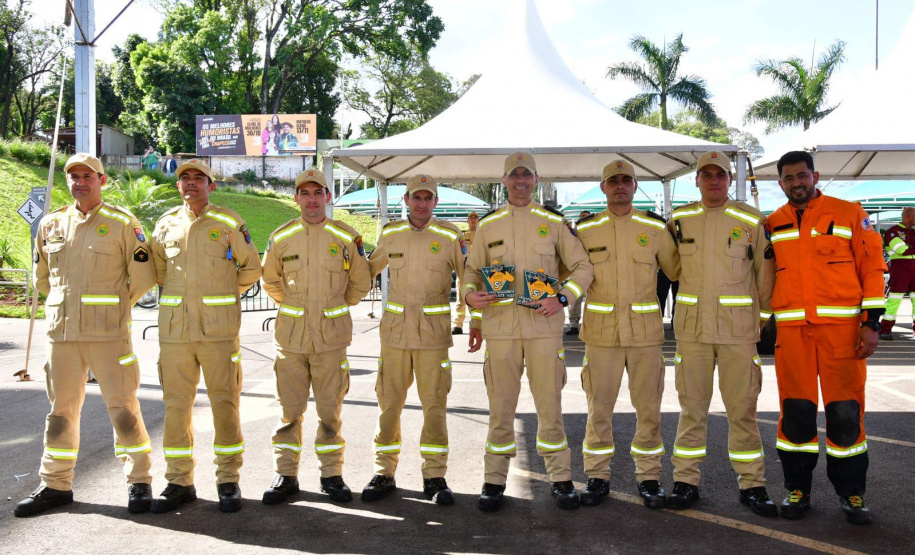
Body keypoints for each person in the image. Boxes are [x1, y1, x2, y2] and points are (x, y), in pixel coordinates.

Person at [15, 153, 157, 517]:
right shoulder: (51, 224)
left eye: (87, 176)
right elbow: (43, 278)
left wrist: (113, 310)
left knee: (123, 408)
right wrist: (64, 308)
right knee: (60, 413)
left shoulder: (123, 223)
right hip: (63, 336)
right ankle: (55, 484)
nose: (80, 181)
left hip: (109, 336)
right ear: (68, 181)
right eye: (74, 176)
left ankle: (139, 481)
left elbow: (142, 277)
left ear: (102, 180)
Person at [463, 151, 593, 511]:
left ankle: (561, 479)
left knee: (549, 406)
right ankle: (493, 481)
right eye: (513, 174)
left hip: (543, 329)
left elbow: (583, 267)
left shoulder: (553, 223)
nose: (520, 180)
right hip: (501, 330)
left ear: (536, 179)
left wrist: (563, 298)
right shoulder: (488, 226)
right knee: (500, 409)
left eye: (527, 174)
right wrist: (470, 297)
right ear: (504, 181)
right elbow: (471, 272)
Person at [768, 151, 886, 524]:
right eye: (788, 178)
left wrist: (872, 323)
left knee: (845, 414)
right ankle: (797, 489)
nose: (796, 183)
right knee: (796, 417)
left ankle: (852, 493)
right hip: (793, 337)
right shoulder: (772, 223)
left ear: (815, 175)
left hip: (842, 335)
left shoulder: (850, 214)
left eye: (802, 175)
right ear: (781, 183)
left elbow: (873, 269)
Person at [666, 150, 777, 516]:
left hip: (738, 332)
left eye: (720, 175)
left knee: (742, 409)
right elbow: (670, 269)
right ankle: (685, 481)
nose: (713, 180)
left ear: (730, 180)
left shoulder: (750, 220)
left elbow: (765, 276)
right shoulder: (679, 220)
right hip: (693, 332)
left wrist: (760, 321)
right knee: (691, 409)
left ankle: (752, 485)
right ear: (696, 180)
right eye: (706, 175)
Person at [148, 159, 262, 514]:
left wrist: (223, 296)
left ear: (211, 186)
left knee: (224, 405)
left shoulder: (229, 222)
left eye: (200, 178)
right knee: (175, 409)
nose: (192, 184)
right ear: (178, 186)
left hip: (218, 333)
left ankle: (228, 480)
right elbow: (159, 271)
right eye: (185, 178)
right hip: (175, 333)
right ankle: (179, 481)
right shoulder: (165, 225)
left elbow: (251, 268)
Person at [259, 169, 371, 505]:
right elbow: (270, 281)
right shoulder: (281, 237)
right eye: (304, 193)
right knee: (289, 412)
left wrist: (333, 305)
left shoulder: (346, 236)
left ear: (328, 197)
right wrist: (298, 308)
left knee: (330, 412)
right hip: (291, 341)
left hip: (331, 340)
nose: (311, 200)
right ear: (296, 198)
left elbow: (361, 283)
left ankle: (331, 475)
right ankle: (287, 475)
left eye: (317, 193)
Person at [574, 160, 678, 508]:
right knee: (598, 409)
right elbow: (567, 273)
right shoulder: (585, 231)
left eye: (626, 180)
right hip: (602, 335)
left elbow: (678, 270)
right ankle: (597, 476)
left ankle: (649, 478)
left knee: (648, 408)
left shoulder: (656, 228)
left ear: (635, 186)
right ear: (603, 187)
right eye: (613, 181)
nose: (620, 186)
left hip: (645, 335)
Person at [363, 174, 466, 504]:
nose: (422, 203)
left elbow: (470, 278)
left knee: (434, 406)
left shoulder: (450, 236)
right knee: (389, 406)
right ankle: (383, 472)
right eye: (416, 197)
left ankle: (434, 475)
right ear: (406, 200)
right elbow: (367, 271)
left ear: (436, 202)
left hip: (433, 338)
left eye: (428, 198)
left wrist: (474, 321)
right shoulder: (391, 234)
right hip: (394, 335)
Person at [878, 206, 915, 340]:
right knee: (894, 300)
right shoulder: (893, 232)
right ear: (909, 217)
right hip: (900, 270)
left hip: (913, 271)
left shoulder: (912, 232)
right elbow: (902, 250)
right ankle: (885, 329)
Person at [452, 211, 479, 334]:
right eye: (471, 218)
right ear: (467, 221)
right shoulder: (462, 237)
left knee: (477, 298)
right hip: (463, 270)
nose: (473, 220)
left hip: (478, 272)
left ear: (478, 220)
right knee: (461, 298)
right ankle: (458, 324)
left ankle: (477, 324)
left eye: (475, 217)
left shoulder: (482, 236)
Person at [565, 210, 591, 335]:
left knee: (594, 298)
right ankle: (574, 325)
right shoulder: (573, 233)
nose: (583, 218)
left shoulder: (595, 233)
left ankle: (592, 325)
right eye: (582, 217)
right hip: (577, 270)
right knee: (575, 299)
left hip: (594, 269)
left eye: (586, 217)